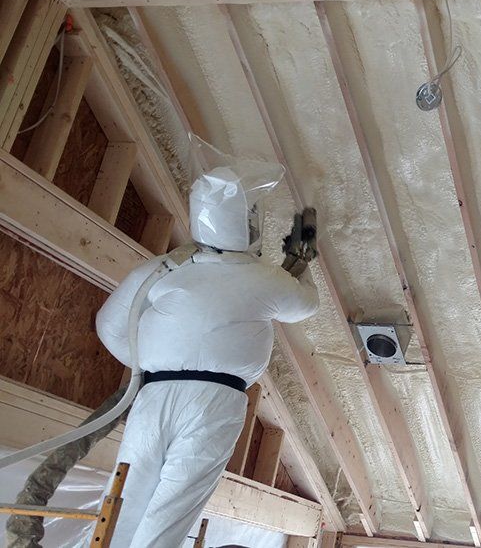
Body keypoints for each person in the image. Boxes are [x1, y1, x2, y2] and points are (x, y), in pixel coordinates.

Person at [93, 140, 319, 547]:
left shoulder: (161, 270)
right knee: (172, 508)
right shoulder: (262, 278)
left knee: (124, 499)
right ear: (250, 223)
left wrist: (152, 365)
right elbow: (305, 306)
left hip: (152, 394)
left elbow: (110, 326)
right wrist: (299, 266)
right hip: (214, 400)